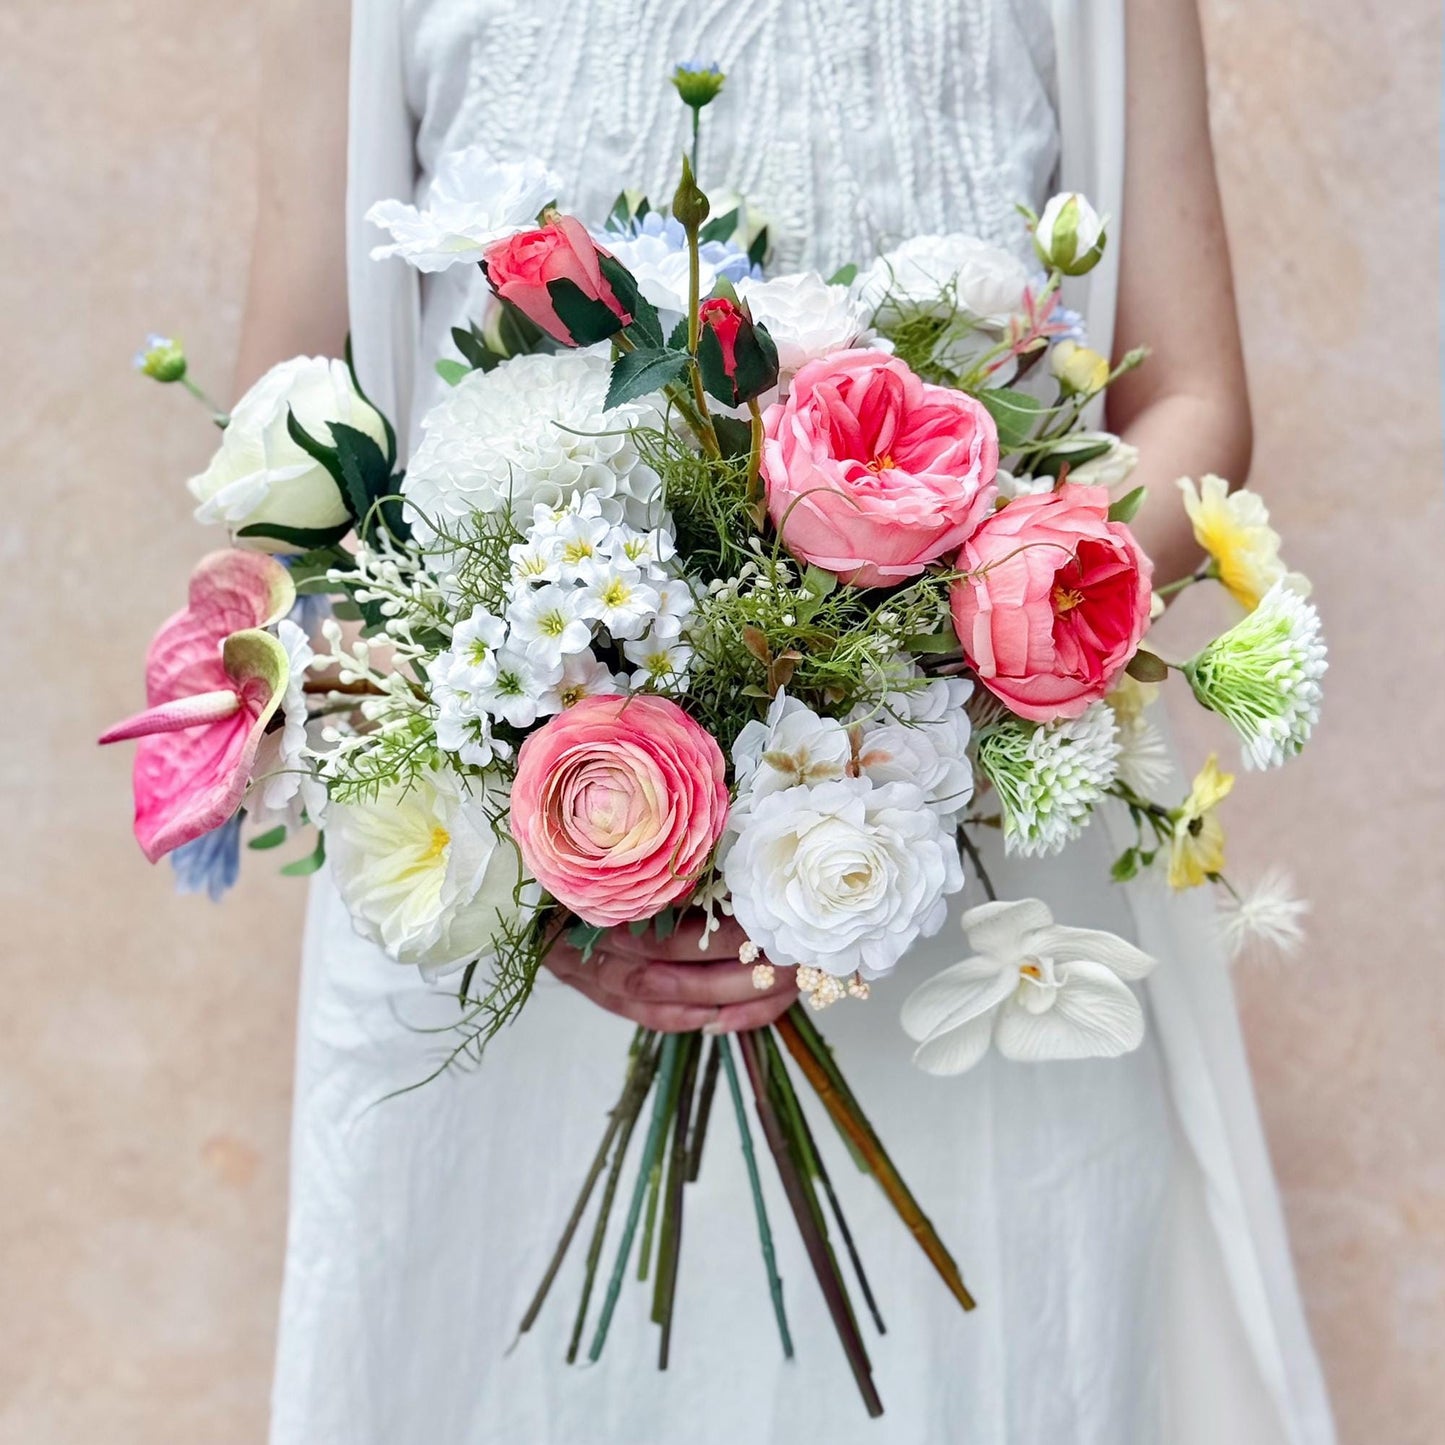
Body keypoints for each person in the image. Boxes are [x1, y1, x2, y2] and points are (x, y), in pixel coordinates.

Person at [245, 2, 1336, 1441]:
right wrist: (570, 837)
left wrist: (930, 654)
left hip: (964, 887)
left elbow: (1189, 394)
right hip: (493, 908)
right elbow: (281, 426)